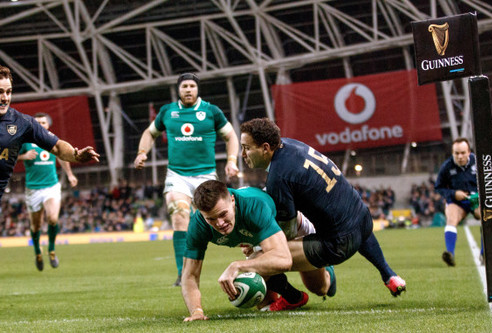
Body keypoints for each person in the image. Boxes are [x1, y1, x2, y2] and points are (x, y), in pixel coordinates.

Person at [239, 118, 406, 297]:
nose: (243, 154)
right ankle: (390, 275)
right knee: (352, 224)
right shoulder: (289, 144)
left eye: (247, 148)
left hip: (338, 243)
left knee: (258, 258)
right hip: (362, 217)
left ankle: (293, 297)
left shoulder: (279, 176)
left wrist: (256, 243)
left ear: (265, 148)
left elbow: (287, 231)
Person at [134, 73, 240, 286]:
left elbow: (231, 136)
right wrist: (142, 152)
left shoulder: (211, 111)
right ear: (178, 90)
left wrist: (231, 161)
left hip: (206, 176)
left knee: (208, 221)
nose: (189, 89)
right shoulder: (168, 112)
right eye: (185, 86)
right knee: (179, 214)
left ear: (197, 89)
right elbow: (149, 132)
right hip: (177, 175)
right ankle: (183, 274)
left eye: (192, 86)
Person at [182, 180, 309, 321]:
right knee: (262, 299)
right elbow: (190, 275)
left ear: (232, 200)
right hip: (260, 237)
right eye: (211, 219)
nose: (220, 223)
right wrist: (196, 311)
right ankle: (293, 297)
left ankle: (325, 267)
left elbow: (283, 259)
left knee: (321, 287)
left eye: (223, 214)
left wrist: (237, 265)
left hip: (290, 226)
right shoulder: (198, 225)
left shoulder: (253, 207)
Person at [0, 64, 99, 202]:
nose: (5, 98)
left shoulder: (22, 123)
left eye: (8, 92)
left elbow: (58, 147)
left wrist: (76, 156)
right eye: (0, 92)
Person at [18, 113, 79, 271]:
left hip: (51, 185)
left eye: (43, 122)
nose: (41, 124)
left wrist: (70, 175)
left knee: (52, 218)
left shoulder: (51, 140)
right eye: (37, 122)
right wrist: (24, 156)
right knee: (36, 225)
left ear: (48, 125)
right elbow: (10, 156)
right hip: (33, 188)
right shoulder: (25, 141)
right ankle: (38, 251)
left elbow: (62, 156)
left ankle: (51, 250)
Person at [435, 137, 481, 267]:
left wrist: (480, 196)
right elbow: (439, 187)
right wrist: (454, 193)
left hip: (476, 199)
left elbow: (489, 181)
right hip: (457, 202)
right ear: (452, 153)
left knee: (488, 217)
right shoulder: (446, 166)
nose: (460, 156)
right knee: (451, 220)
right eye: (456, 153)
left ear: (469, 152)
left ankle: (484, 254)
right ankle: (450, 254)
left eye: (463, 153)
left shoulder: (479, 163)